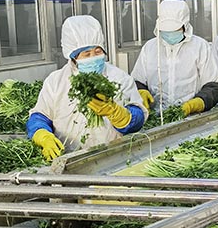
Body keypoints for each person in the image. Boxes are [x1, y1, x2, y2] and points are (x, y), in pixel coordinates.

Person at [26, 15, 146, 160]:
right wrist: (43, 135)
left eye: (98, 51)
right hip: (67, 158)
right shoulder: (56, 81)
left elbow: (138, 116)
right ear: (73, 57)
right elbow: (40, 116)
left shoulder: (120, 78)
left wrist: (118, 114)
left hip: (112, 156)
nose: (93, 57)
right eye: (87, 54)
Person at [131, 0, 218, 116]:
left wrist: (194, 105)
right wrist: (141, 91)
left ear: (185, 26)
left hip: (192, 116)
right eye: (165, 30)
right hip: (155, 115)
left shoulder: (200, 47)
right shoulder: (150, 48)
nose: (169, 33)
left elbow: (214, 86)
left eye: (175, 29)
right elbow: (137, 80)